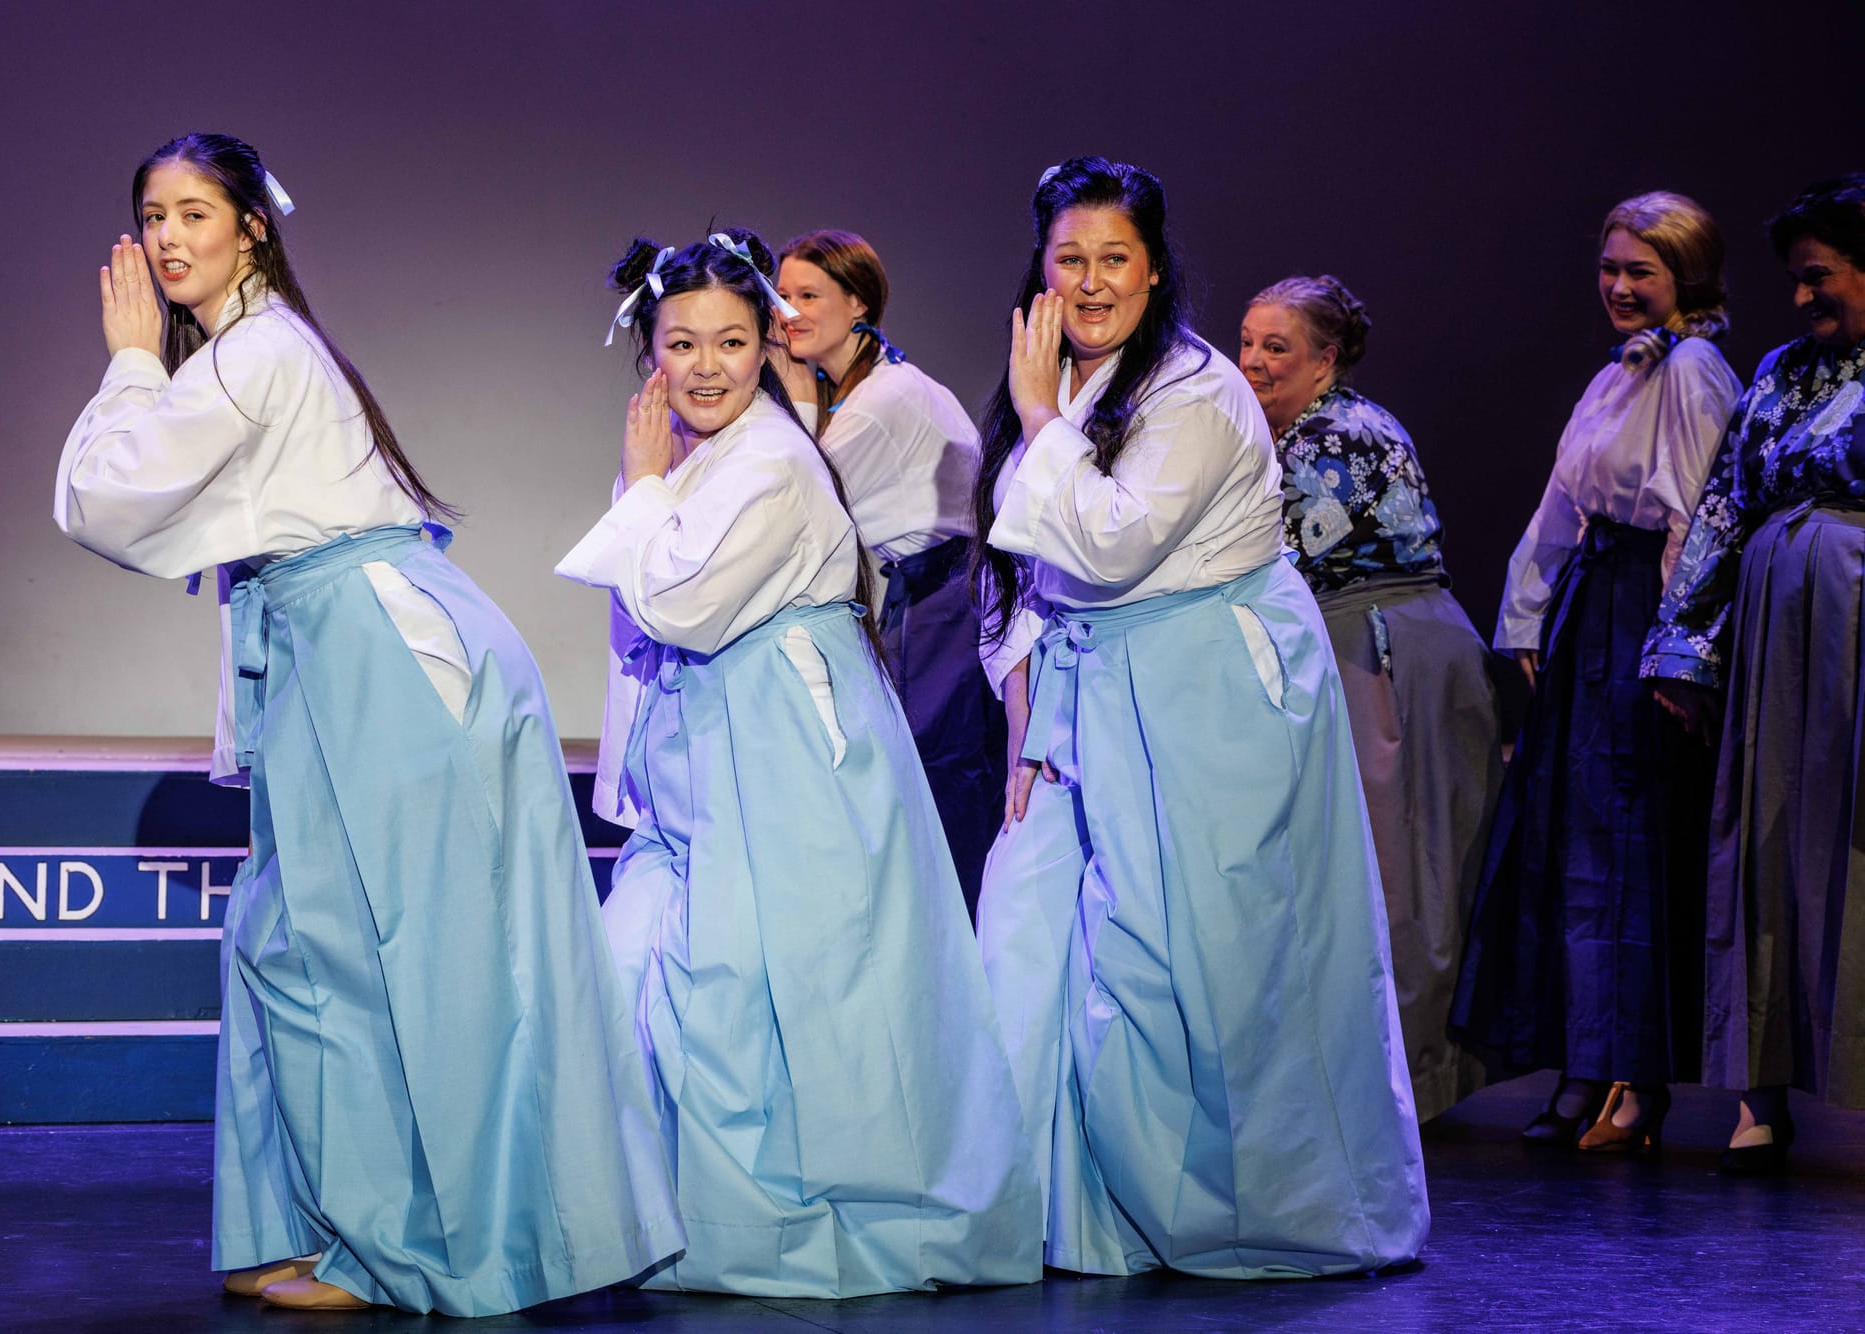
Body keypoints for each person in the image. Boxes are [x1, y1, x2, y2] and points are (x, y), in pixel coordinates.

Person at [54, 134, 682, 1314]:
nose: (170, 236)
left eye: (197, 211)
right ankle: (291, 1228)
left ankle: (408, 1242)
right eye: (152, 214)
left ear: (253, 226)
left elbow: (103, 495)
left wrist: (133, 361)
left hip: (389, 656)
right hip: (342, 647)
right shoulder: (253, 349)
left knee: (386, 956)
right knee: (292, 945)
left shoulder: (258, 350)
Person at [557, 229, 1042, 1296]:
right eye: (680, 342)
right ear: (650, 351)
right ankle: (657, 1204)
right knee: (669, 966)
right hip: (722, 749)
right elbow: (641, 631)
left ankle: (801, 1206)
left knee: (789, 981)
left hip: (786, 747)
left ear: (767, 342)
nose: (706, 365)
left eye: (731, 340)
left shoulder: (770, 460)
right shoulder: (693, 452)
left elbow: (679, 600)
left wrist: (640, 487)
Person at [972, 157, 1427, 1279]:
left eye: (1111, 260)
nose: (1087, 283)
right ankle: (1065, 1208)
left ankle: (1255, 1203)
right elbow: (1023, 566)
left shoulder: (1194, 386)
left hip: (1208, 689)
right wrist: (1024, 705)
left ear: (1154, 268)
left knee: (1209, 962)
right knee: (1043, 935)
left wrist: (1037, 416)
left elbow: (1110, 541)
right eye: (1068, 259)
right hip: (1093, 691)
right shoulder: (1069, 383)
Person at [1453, 192, 1741, 1153]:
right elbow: (1559, 509)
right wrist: (1529, 620)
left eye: (1640, 272)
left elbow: (1703, 515)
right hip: (1594, 613)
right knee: (1578, 852)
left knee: (1629, 849)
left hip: (1641, 620)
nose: (1618, 287)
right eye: (1610, 269)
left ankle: (1635, 1080)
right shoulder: (1615, 375)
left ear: (1683, 279)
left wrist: (1679, 650)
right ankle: (1587, 1065)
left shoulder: (1694, 370)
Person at [1239, 275, 1501, 1122]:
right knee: (1388, 864)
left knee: (1403, 869)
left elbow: (1277, 557)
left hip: (1384, 649)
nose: (1252, 362)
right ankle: (1391, 1081)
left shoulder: (1335, 439)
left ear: (1326, 359)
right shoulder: (1306, 429)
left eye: (1276, 347)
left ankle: (1403, 1090)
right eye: (1246, 343)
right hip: (1378, 639)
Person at [1646, 173, 1865, 1172]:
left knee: (1849, 836)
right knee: (1766, 834)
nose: (1800, 297)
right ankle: (1758, 1086)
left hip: (1854, 614)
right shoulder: (1779, 372)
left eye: (1817, 276)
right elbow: (1721, 511)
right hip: (1778, 626)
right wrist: (1685, 648)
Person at [775, 231, 1002, 912]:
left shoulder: (883, 400)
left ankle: (954, 940)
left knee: (942, 774)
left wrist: (794, 392)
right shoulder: (860, 383)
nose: (788, 313)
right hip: (924, 594)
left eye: (808, 296)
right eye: (781, 296)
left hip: (950, 603)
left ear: (859, 304)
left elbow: (796, 505)